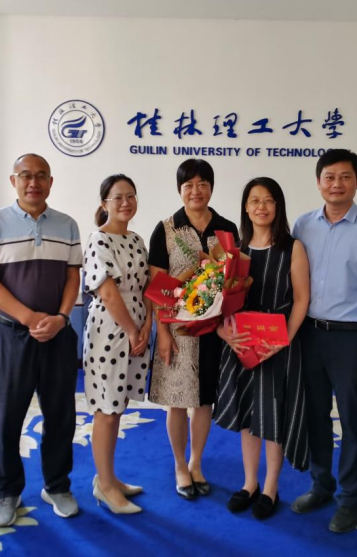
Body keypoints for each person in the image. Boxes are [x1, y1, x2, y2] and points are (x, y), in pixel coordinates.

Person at [0, 153, 82, 527]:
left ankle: (57, 486)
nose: (33, 182)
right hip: (11, 334)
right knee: (6, 416)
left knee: (61, 415)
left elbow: (72, 277)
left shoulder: (67, 225)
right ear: (13, 181)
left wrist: (61, 318)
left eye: (40, 176)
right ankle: (7, 491)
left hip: (57, 334)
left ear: (50, 182)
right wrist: (29, 317)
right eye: (25, 176)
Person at [291, 148, 357, 534]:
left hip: (351, 337)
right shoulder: (302, 225)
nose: (337, 184)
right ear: (318, 182)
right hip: (309, 334)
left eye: (345, 177)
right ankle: (321, 485)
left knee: (351, 417)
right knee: (314, 414)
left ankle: (351, 498)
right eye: (329, 177)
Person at [214, 177, 310, 520]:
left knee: (272, 415)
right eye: (254, 200)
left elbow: (302, 299)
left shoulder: (292, 248)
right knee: (247, 416)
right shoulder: (233, 252)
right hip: (241, 345)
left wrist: (283, 339)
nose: (261, 207)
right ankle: (249, 483)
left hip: (277, 345)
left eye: (268, 200)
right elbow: (217, 303)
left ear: (277, 206)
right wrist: (224, 334)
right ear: (245, 207)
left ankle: (270, 487)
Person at [148, 158, 239, 499]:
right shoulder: (166, 229)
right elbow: (158, 286)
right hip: (178, 331)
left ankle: (196, 462)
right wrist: (163, 333)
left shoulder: (227, 228)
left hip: (214, 331)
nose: (195, 191)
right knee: (176, 400)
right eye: (188, 185)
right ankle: (179, 465)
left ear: (211, 188)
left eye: (202, 184)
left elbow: (233, 278)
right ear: (179, 189)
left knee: (204, 401)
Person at [82, 174, 151, 515]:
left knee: (118, 406)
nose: (126, 203)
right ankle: (105, 486)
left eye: (131, 196)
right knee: (106, 410)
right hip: (110, 331)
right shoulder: (99, 240)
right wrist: (133, 331)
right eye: (118, 197)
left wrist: (147, 326)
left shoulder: (136, 239)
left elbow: (148, 288)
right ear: (104, 203)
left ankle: (109, 477)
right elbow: (108, 294)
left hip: (136, 328)